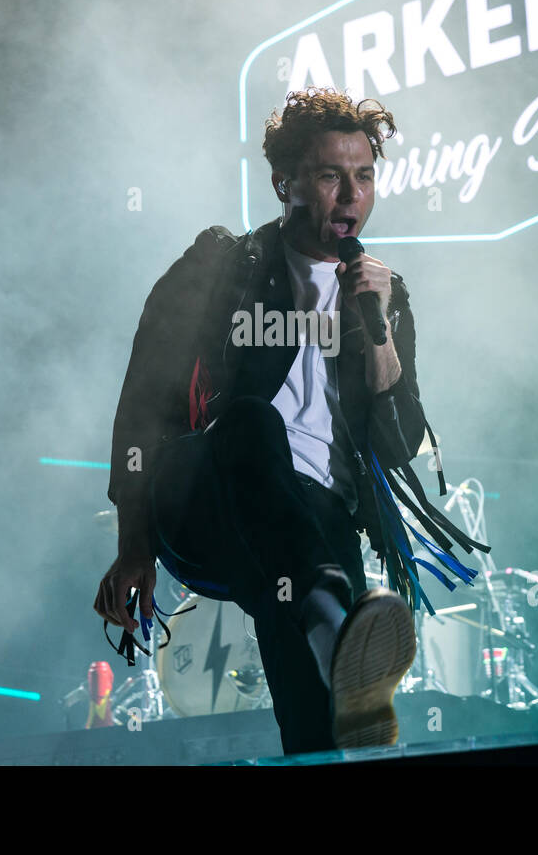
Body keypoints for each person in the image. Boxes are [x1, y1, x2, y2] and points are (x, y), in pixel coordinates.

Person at [94, 86, 485, 754]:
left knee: (329, 729)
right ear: (286, 182)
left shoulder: (385, 294)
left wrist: (381, 330)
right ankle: (332, 620)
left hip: (311, 523)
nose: (351, 195)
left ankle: (335, 645)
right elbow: (145, 398)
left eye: (364, 177)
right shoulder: (224, 264)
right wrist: (134, 542)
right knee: (250, 421)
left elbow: (397, 442)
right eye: (331, 176)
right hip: (207, 493)